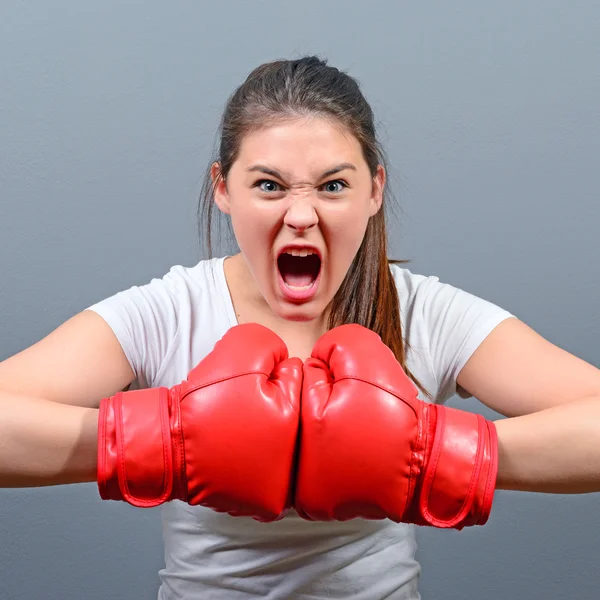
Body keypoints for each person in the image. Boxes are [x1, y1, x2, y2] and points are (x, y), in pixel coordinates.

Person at [1, 56, 599, 599]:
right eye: (269, 185)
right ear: (222, 190)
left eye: (333, 185)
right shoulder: (168, 311)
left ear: (375, 190)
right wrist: (162, 443)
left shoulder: (423, 312)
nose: (301, 214)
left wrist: (434, 456)